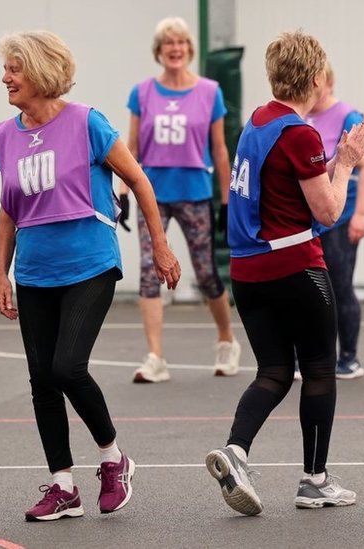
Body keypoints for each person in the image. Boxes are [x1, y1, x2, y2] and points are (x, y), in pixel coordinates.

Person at [0, 31, 181, 522]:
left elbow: (138, 180)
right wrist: (1, 275)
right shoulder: (4, 135)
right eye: (6, 69)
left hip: (90, 264)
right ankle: (62, 485)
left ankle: (114, 458)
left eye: (15, 68)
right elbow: (9, 210)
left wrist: (159, 245)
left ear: (40, 71)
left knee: (66, 367)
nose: (6, 77)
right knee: (41, 380)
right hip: (34, 271)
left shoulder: (87, 122)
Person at [204, 30, 364, 516]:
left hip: (248, 271)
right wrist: (345, 162)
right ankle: (314, 480)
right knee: (321, 369)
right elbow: (327, 211)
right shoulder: (300, 134)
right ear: (318, 78)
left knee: (275, 370)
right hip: (295, 266)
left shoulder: (256, 120)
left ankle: (236, 452)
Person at [122, 17, 241, 382]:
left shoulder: (209, 92)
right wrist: (124, 192)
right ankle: (155, 356)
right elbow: (131, 148)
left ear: (189, 49)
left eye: (181, 43)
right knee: (148, 271)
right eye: (167, 43)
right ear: (158, 51)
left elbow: (220, 150)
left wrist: (226, 202)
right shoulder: (142, 93)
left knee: (206, 272)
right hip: (153, 194)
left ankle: (226, 340)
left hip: (194, 191)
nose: (175, 49)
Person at [305, 62, 364, 379]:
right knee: (309, 289)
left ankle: (348, 356)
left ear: (327, 82)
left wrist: (361, 214)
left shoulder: (349, 117)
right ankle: (311, 353)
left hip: (340, 215)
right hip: (309, 217)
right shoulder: (301, 117)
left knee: (340, 286)